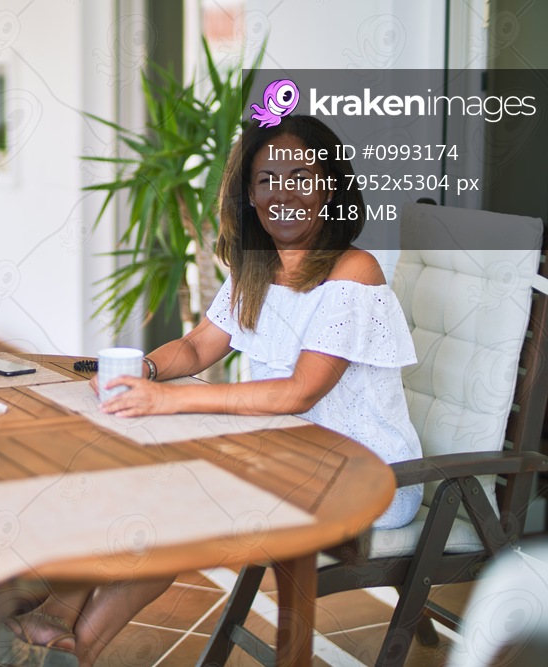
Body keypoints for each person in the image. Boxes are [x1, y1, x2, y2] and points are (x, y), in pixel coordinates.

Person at [97, 113, 424, 530]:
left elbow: (299, 392)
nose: (282, 195)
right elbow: (198, 346)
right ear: (250, 194)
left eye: (301, 178)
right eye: (267, 179)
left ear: (329, 190)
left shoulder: (354, 270)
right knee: (156, 491)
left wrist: (169, 400)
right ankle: (67, 596)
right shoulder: (254, 270)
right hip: (291, 459)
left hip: (372, 479)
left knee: (175, 498)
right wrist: (141, 371)